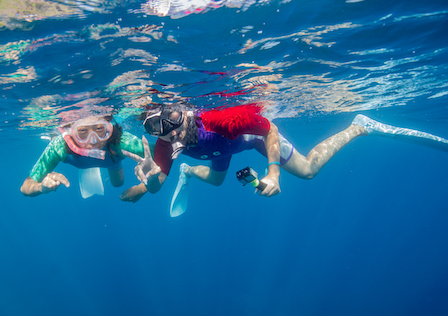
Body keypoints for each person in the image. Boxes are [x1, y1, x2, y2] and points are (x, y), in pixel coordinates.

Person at [119, 102, 448, 214]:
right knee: (217, 180)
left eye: (173, 121)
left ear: (186, 112)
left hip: (252, 142)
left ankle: (358, 127)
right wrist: (147, 184)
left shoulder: (222, 119)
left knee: (307, 171)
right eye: (156, 129)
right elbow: (156, 185)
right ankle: (190, 172)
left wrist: (274, 173)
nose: (170, 132)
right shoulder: (163, 147)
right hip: (218, 154)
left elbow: (270, 130)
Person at [21, 113, 146, 198]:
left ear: (108, 128)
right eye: (82, 131)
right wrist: (41, 187)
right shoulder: (58, 146)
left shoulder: (121, 141)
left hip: (111, 159)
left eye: (99, 129)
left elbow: (162, 154)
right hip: (89, 158)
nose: (93, 141)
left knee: (118, 184)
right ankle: (52, 135)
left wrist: (143, 188)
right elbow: (25, 187)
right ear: (70, 132)